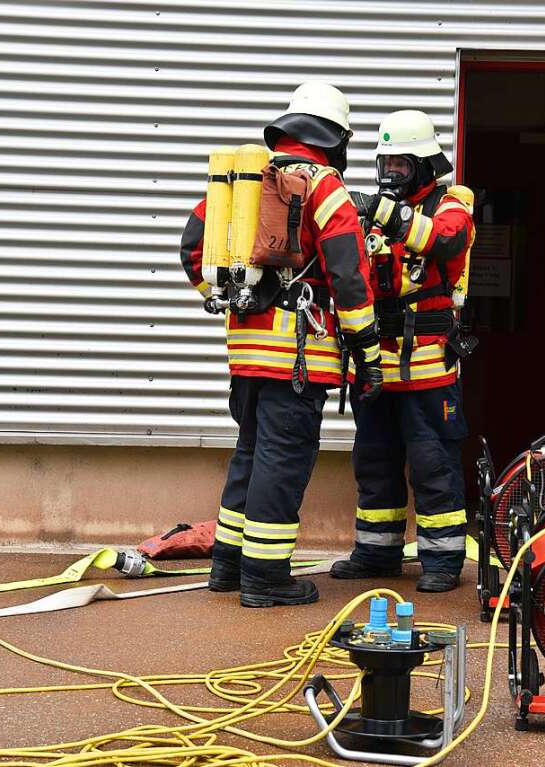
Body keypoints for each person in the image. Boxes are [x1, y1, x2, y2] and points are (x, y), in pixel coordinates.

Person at [179, 82, 382, 607]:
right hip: (298, 356)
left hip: (245, 351)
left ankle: (227, 565)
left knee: (249, 453)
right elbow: (349, 276)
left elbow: (190, 248)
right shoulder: (325, 186)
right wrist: (366, 349)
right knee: (282, 462)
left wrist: (225, 300)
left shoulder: (249, 181)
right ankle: (267, 578)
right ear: (335, 136)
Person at [332, 110, 476, 593]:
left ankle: (441, 561)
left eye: (402, 164)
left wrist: (381, 210)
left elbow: (446, 239)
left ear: (425, 165)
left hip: (429, 368)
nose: (391, 172)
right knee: (374, 462)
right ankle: (376, 553)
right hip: (375, 365)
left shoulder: (450, 204)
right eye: (386, 162)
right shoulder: (374, 212)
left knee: (433, 464)